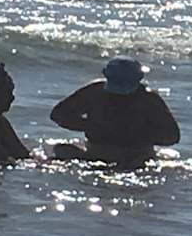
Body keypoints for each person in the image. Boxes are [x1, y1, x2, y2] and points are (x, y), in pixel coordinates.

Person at [50, 57, 180, 168]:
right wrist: (91, 125)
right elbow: (58, 114)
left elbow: (172, 136)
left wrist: (132, 134)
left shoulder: (148, 99)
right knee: (61, 149)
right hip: (100, 152)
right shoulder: (94, 92)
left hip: (135, 155)